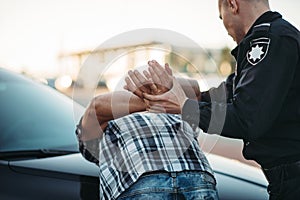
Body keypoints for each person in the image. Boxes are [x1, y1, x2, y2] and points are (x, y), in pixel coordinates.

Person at [124, 0, 300, 199]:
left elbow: (246, 119)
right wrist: (173, 91)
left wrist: (185, 107)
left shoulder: (269, 39)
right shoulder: (274, 36)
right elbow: (227, 94)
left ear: (232, 4)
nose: (224, 26)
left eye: (221, 16)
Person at [75, 87, 218, 199]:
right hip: (196, 176)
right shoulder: (172, 109)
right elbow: (96, 107)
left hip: (146, 181)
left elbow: (195, 91)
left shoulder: (173, 111)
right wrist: (160, 99)